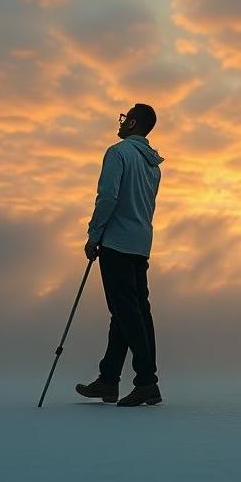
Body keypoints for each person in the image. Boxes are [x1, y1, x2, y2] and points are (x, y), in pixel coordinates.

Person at [75, 104, 165, 407]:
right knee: (131, 312)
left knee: (128, 313)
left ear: (134, 122)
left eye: (125, 117)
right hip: (141, 244)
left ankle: (146, 382)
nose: (122, 121)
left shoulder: (118, 152)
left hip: (117, 243)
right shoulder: (154, 164)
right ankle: (109, 380)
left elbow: (109, 197)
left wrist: (94, 234)